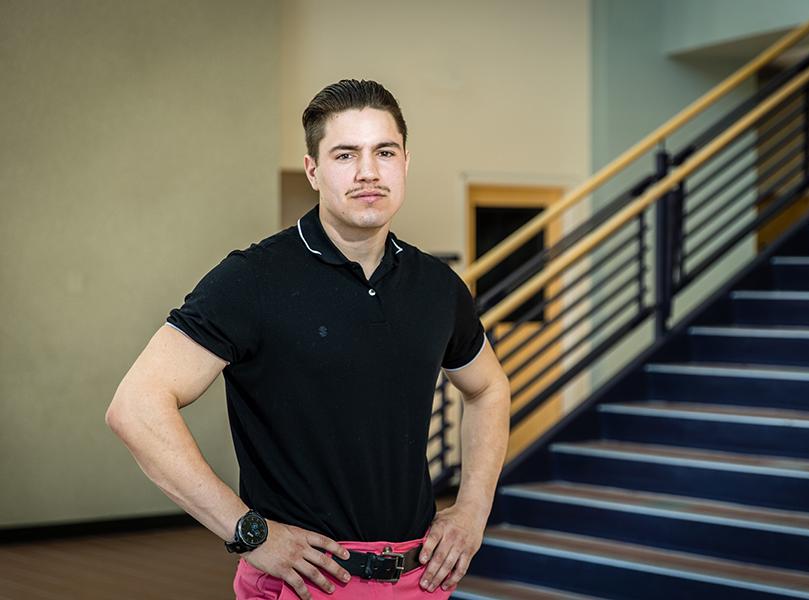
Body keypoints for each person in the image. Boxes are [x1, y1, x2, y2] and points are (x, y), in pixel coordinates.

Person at [106, 79, 510, 600]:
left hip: (420, 578)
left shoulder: (436, 287)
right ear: (313, 170)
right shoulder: (253, 280)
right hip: (303, 581)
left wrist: (474, 509)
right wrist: (248, 532)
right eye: (346, 154)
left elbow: (488, 388)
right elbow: (136, 407)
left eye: (384, 152)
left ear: (405, 163)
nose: (368, 171)